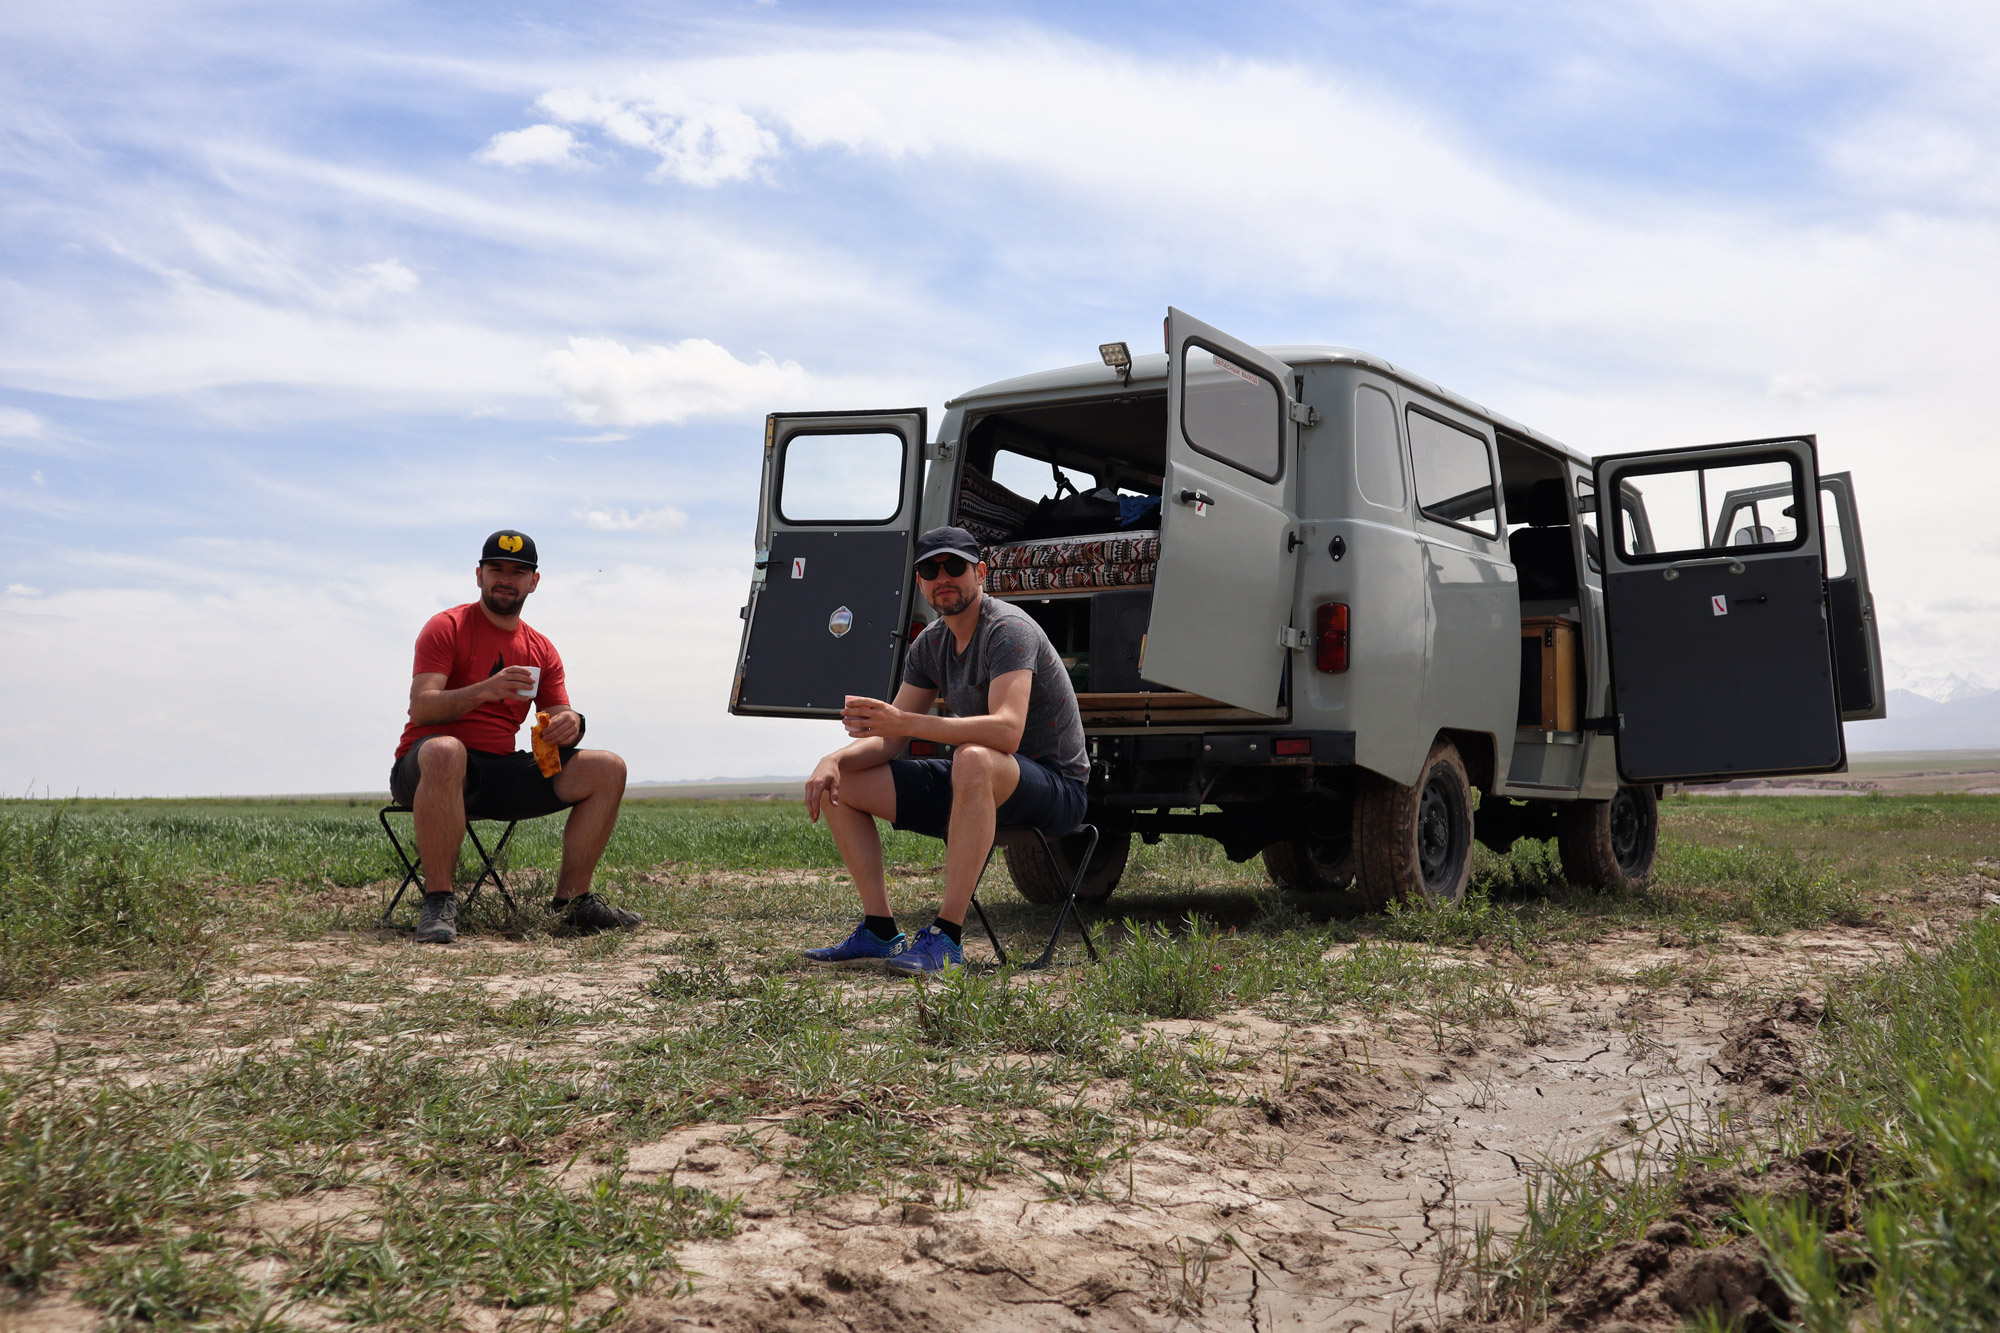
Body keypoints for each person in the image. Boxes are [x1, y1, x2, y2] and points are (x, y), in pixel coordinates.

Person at [803, 526, 1090, 975]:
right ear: (919, 582)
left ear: (980, 571)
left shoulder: (1008, 630)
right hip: (977, 782)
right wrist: (832, 760)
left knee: (973, 756)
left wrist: (908, 722)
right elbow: (891, 739)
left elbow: (1008, 732)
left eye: (955, 565)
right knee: (846, 780)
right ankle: (879, 930)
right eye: (930, 569)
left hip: (1055, 786)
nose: (943, 577)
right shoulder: (930, 643)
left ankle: (947, 937)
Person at [389, 530, 641, 944]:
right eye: (496, 569)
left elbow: (559, 713)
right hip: (426, 769)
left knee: (608, 767)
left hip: (498, 772)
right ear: (479, 575)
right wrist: (485, 689)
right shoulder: (446, 626)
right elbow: (423, 707)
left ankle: (573, 903)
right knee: (446, 750)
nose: (506, 579)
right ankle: (438, 901)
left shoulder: (541, 647)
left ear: (534, 582)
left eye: (518, 572)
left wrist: (572, 724)